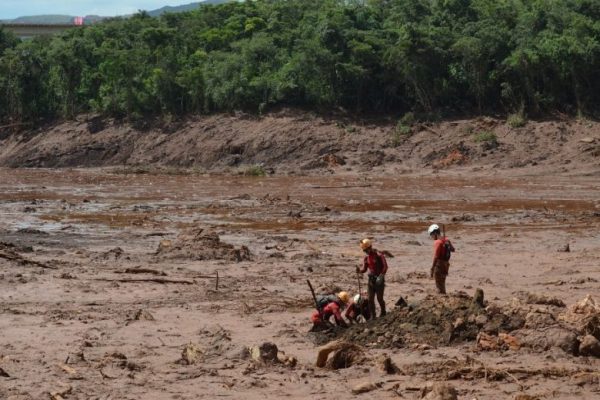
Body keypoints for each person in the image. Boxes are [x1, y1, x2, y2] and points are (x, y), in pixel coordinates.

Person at [356, 238, 388, 319]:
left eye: (366, 250)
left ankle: (383, 312)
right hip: (371, 280)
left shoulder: (379, 255)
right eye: (364, 250)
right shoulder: (366, 258)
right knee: (370, 299)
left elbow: (385, 267)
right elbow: (364, 269)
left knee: (379, 298)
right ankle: (373, 316)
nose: (365, 252)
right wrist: (359, 270)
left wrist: (381, 276)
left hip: (379, 280)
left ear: (370, 247)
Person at [428, 224, 455, 294]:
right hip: (446, 265)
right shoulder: (446, 240)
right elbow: (453, 249)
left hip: (439, 265)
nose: (432, 237)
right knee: (442, 283)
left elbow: (436, 256)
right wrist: (447, 244)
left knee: (438, 285)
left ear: (435, 233)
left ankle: (441, 297)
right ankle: (444, 294)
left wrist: (432, 268)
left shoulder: (437, 242)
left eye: (431, 235)